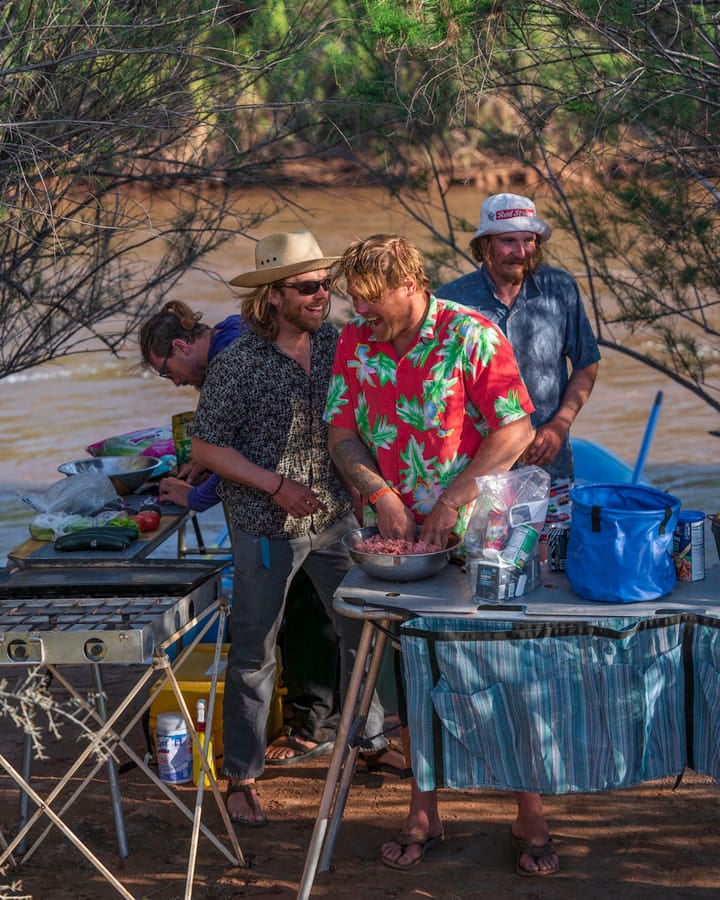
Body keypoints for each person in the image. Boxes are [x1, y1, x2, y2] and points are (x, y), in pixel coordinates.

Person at [325, 234, 560, 877]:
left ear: (410, 284)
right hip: (396, 540)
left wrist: (453, 501)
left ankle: (528, 810)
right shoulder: (354, 341)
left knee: (500, 669)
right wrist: (376, 491)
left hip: (479, 531)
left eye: (370, 298)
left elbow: (516, 428)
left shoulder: (470, 334)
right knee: (413, 672)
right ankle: (423, 807)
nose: (358, 309)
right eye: (353, 298)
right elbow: (341, 433)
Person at [189, 230, 400, 827]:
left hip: (336, 517)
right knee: (255, 651)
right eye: (307, 286)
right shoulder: (239, 364)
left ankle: (374, 739)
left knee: (363, 632)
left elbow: (362, 418)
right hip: (264, 525)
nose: (321, 294)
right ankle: (242, 776)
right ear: (272, 296)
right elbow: (206, 446)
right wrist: (276, 485)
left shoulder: (339, 343)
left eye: (324, 284)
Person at [435, 193, 600, 548]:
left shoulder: (560, 289)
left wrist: (560, 424)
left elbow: (586, 362)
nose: (521, 251)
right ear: (484, 245)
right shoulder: (451, 302)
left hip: (549, 466)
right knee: (479, 571)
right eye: (508, 241)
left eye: (529, 241)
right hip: (475, 474)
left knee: (551, 569)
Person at [138, 299, 250, 511]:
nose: (177, 383)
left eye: (168, 372)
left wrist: (195, 497)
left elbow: (249, 449)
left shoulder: (230, 359)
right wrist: (210, 461)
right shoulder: (232, 327)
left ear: (180, 346)